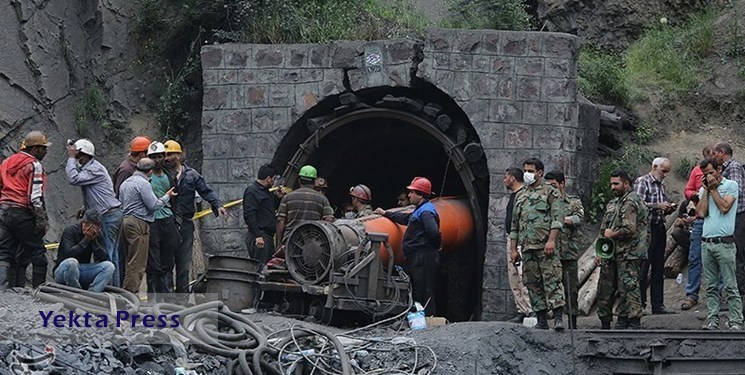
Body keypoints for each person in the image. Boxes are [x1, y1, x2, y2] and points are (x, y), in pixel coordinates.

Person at [509, 158, 566, 330]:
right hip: (527, 248)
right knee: (532, 283)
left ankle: (557, 319)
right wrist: (513, 249)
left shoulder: (550, 192)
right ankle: (541, 320)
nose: (527, 174)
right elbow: (514, 225)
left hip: (545, 247)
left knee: (553, 281)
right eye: (525, 170)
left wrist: (551, 240)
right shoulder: (520, 196)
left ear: (540, 172)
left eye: (531, 171)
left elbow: (557, 219)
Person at [164, 140, 227, 293]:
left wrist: (218, 204)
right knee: (166, 264)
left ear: (178, 156)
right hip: (166, 223)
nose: (166, 158)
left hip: (185, 223)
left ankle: (181, 300)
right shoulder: (162, 175)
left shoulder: (191, 175)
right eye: (165, 154)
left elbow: (206, 191)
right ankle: (165, 298)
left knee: (183, 264)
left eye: (170, 154)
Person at [375, 177, 441, 316]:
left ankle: (427, 319)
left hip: (423, 257)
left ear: (420, 195)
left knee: (424, 290)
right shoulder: (420, 210)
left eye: (412, 192)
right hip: (418, 257)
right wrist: (386, 213)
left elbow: (433, 232)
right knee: (416, 288)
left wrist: (436, 245)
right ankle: (418, 318)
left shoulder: (426, 212)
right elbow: (405, 219)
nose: (409, 195)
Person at [64, 139, 123, 286]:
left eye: (78, 156)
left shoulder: (94, 169)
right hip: (110, 214)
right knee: (111, 256)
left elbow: (73, 178)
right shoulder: (92, 168)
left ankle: (110, 292)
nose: (77, 159)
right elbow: (98, 193)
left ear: (84, 155)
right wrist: (86, 208)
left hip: (108, 216)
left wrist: (71, 158)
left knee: (107, 256)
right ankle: (114, 291)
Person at [596, 170, 649, 330]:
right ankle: (609, 321)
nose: (612, 187)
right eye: (611, 184)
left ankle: (632, 321)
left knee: (628, 287)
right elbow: (604, 228)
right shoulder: (614, 203)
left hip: (629, 253)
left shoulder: (631, 201)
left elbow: (629, 228)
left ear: (626, 184)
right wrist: (599, 250)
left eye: (616, 184)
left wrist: (613, 234)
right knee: (606, 288)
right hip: (611, 253)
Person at [696, 158, 743, 330]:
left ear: (719, 169)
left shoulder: (731, 185)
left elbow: (725, 208)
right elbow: (701, 213)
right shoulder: (705, 189)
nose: (708, 176)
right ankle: (712, 320)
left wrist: (714, 189)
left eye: (711, 172)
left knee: (730, 284)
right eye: (705, 174)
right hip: (707, 243)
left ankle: (736, 320)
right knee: (711, 286)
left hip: (725, 243)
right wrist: (706, 191)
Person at [0, 131, 50, 289]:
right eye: (43, 148)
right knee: (38, 254)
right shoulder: (34, 165)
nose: (46, 151)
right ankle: (39, 293)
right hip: (21, 212)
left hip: (3, 211)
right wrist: (41, 219)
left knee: (5, 253)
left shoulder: (7, 162)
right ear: (35, 149)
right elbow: (35, 196)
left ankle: (3, 291)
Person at [119, 158, 176, 294]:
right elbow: (154, 205)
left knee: (130, 260)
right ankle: (129, 297)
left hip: (126, 221)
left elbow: (120, 204)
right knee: (137, 264)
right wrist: (167, 196)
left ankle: (129, 295)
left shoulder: (126, 183)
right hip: (139, 223)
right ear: (150, 171)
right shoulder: (143, 184)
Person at [634, 157, 676, 314]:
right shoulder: (642, 182)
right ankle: (641, 303)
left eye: (667, 172)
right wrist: (657, 206)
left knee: (658, 267)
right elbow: (637, 205)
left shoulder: (661, 185)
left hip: (659, 227)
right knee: (644, 266)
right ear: (655, 167)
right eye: (663, 171)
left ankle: (658, 304)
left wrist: (668, 208)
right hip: (646, 228)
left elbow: (660, 204)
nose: (665, 174)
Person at [545, 170, 584, 329]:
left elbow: (578, 218)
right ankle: (557, 319)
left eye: (554, 185)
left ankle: (573, 322)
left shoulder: (572, 202)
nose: (551, 189)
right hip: (551, 254)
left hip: (568, 253)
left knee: (571, 289)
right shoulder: (546, 202)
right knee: (553, 287)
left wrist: (560, 219)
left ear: (562, 184)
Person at [712, 142, 745, 318]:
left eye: (715, 153)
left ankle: (739, 300)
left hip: (738, 216)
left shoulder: (733, 168)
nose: (713, 156)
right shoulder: (726, 168)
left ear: (722, 152)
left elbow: (735, 193)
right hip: (733, 218)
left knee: (738, 257)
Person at [145, 142, 179, 300]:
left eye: (159, 156)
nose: (156, 160)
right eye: (153, 157)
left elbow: (176, 200)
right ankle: (153, 297)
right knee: (153, 261)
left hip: (168, 219)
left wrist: (176, 220)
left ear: (164, 157)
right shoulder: (144, 177)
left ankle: (168, 296)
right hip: (152, 221)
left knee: (168, 259)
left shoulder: (170, 176)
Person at [682, 145, 715, 310]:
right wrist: (694, 195)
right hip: (699, 216)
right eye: (707, 154)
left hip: (715, 220)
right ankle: (691, 294)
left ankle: (717, 296)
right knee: (694, 257)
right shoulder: (696, 171)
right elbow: (687, 190)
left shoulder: (723, 178)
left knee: (718, 258)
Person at [275, 165, 334, 254]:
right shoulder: (322, 199)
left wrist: (278, 244)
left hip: (290, 242)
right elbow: (329, 221)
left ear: (299, 181)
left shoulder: (287, 198)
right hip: (313, 245)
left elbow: (280, 221)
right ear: (314, 182)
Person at [54, 210, 115, 292]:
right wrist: (86, 240)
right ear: (84, 224)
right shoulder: (70, 230)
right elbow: (69, 253)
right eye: (90, 226)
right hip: (64, 270)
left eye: (96, 227)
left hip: (83, 270)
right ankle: (76, 292)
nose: (93, 230)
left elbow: (104, 257)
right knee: (72, 262)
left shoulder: (97, 235)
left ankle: (92, 293)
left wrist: (94, 242)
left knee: (109, 266)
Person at [503, 167, 533, 324]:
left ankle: (530, 310)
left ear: (513, 178)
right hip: (511, 239)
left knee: (523, 275)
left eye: (506, 177)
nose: (504, 180)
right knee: (513, 277)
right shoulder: (514, 196)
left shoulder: (524, 195)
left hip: (521, 241)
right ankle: (521, 310)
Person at [243, 164, 281, 265]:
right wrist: (258, 235)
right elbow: (249, 215)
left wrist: (277, 198)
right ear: (268, 179)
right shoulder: (252, 191)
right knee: (261, 267)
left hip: (267, 236)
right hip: (259, 236)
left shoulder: (266, 192)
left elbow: (268, 210)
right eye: (273, 178)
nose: (274, 181)